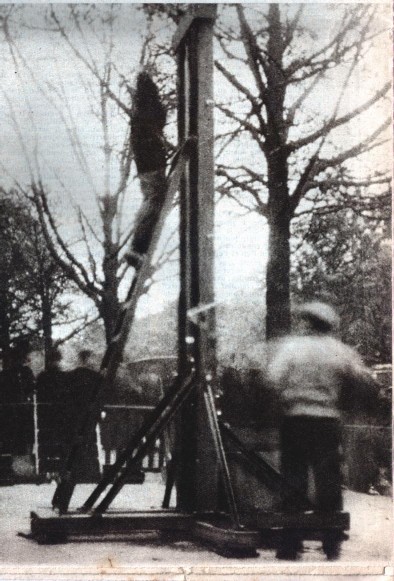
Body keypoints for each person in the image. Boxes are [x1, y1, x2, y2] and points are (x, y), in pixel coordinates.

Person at [267, 301, 378, 560]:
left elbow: (273, 378)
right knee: (329, 482)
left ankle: (290, 545)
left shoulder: (293, 349)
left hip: (295, 419)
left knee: (293, 482)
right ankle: (331, 543)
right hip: (327, 422)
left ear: (308, 322)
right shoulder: (339, 350)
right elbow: (361, 379)